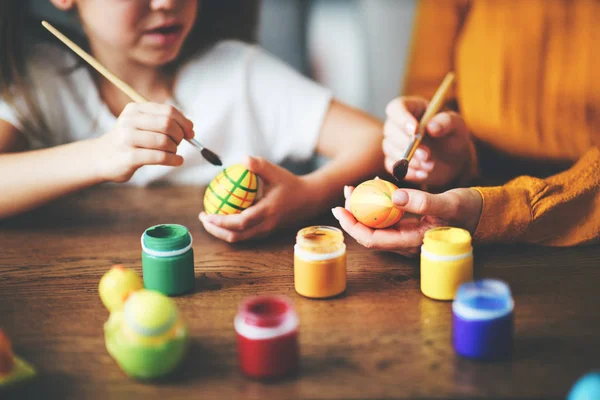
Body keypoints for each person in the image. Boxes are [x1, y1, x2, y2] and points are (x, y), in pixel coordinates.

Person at [0, 0, 384, 243]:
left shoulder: (240, 74)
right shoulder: (39, 84)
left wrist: (311, 194)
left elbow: (373, 138)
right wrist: (99, 157)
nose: (167, 3)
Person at [333, 0, 600, 256]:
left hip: (582, 229)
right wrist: (450, 163)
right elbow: (429, 96)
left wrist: (496, 210)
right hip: (470, 196)